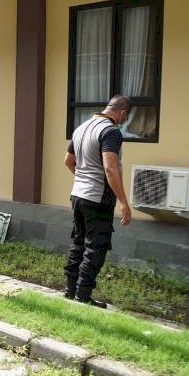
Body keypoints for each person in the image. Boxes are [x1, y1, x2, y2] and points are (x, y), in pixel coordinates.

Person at [63, 94, 132, 308]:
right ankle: (83, 296)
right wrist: (123, 202)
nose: (124, 121)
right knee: (96, 246)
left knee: (78, 242)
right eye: (126, 117)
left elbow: (68, 161)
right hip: (97, 198)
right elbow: (110, 168)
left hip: (78, 195)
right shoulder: (111, 131)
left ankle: (70, 290)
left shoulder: (81, 127)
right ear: (122, 113)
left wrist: (82, 178)